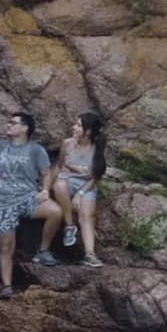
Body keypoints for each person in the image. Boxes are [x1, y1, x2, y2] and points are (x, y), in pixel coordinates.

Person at [0, 111, 63, 300]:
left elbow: (46, 173)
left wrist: (45, 190)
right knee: (6, 245)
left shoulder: (36, 150)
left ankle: (43, 251)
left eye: (13, 123)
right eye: (9, 122)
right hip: (3, 202)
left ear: (24, 128)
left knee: (56, 211)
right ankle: (7, 286)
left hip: (28, 198)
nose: (8, 125)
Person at [52, 112, 107, 268]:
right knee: (59, 185)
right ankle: (69, 226)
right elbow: (58, 165)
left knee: (86, 217)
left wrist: (80, 194)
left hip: (87, 186)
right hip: (67, 181)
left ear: (88, 131)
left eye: (78, 125)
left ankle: (90, 254)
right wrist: (44, 188)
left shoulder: (97, 148)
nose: (74, 127)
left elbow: (96, 176)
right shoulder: (67, 143)